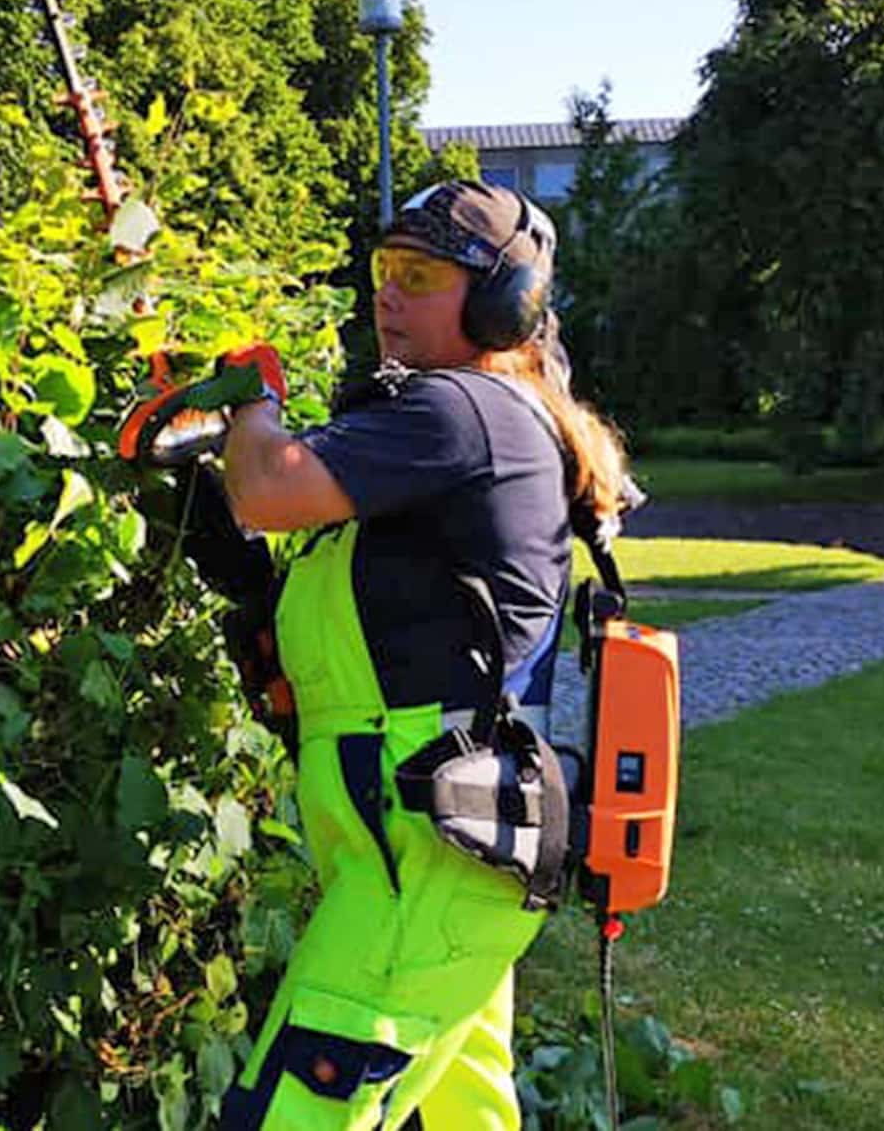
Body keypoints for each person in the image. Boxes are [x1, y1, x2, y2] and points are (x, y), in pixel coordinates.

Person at [213, 179, 631, 1130]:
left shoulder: (462, 411)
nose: (387, 294)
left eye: (420, 275)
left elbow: (270, 489)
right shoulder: (435, 424)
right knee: (463, 1115)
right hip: (428, 853)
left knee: (292, 1114)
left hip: (429, 855)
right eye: (382, 271)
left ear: (502, 301)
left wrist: (253, 398)